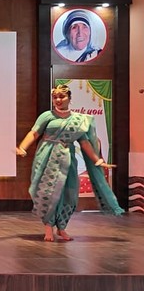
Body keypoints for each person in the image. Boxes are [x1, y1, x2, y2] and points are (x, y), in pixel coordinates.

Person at [16, 84, 123, 241]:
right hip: (47, 158)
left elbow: (84, 143)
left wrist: (98, 160)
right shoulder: (47, 116)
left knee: (69, 193)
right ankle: (48, 227)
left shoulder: (78, 120)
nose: (58, 100)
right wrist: (22, 148)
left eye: (62, 96)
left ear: (69, 98)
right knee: (48, 192)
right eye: (55, 97)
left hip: (67, 160)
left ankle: (62, 228)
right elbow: (34, 133)